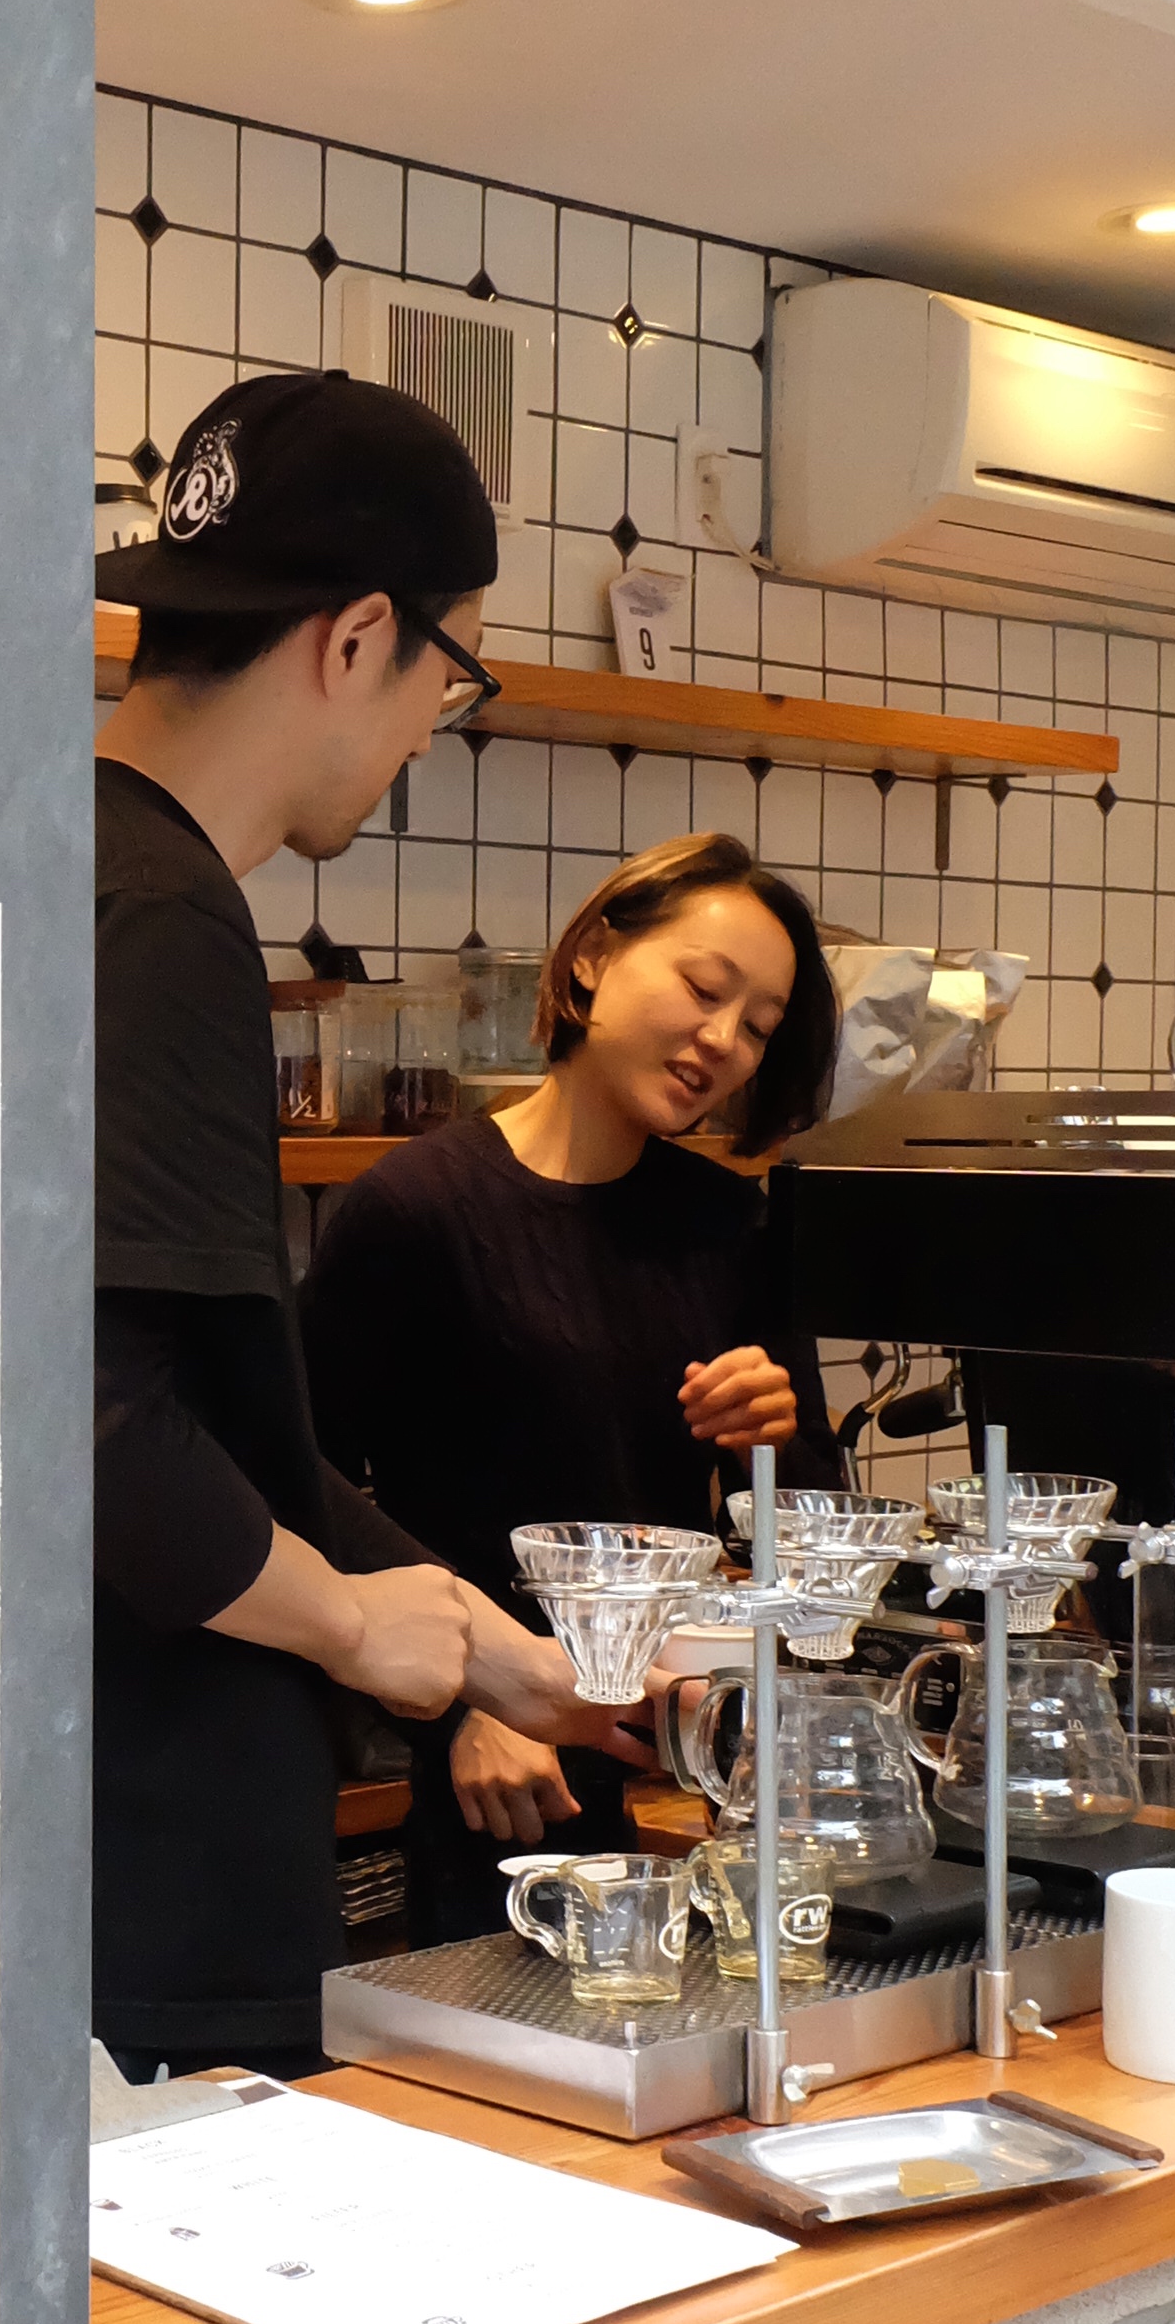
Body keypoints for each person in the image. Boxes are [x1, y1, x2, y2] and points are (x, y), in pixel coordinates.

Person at [94, 367, 605, 2071]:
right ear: (356, 635)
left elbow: (212, 1423)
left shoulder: (47, 870)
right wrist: (347, 1624)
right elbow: (86, 1431)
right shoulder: (159, 924)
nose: (418, 733)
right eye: (446, 680)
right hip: (147, 1884)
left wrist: (481, 1645)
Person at [301, 829, 843, 1936]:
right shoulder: (414, 1211)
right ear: (593, 956)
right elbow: (304, 1489)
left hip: (686, 1765)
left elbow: (818, 1524)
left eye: (758, 1028)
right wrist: (464, 1705)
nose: (723, 1041)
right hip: (496, 1779)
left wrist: (770, 1444)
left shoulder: (727, 1224)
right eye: (704, 988)